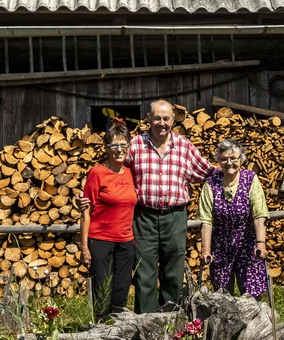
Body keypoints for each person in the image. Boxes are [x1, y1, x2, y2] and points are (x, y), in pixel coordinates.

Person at [79, 100, 216, 314]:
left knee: (173, 271)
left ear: (173, 120)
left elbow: (208, 172)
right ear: (149, 120)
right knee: (144, 272)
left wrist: (235, 176)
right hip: (144, 217)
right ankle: (146, 325)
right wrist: (87, 197)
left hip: (175, 216)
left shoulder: (184, 146)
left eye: (166, 118)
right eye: (157, 118)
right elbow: (114, 168)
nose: (162, 123)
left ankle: (171, 321)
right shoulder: (135, 145)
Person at [196, 139, 270, 297]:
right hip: (221, 248)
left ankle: (254, 322)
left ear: (241, 159)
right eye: (224, 159)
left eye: (233, 159)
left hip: (248, 246)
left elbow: (259, 214)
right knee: (222, 298)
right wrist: (206, 250)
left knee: (251, 297)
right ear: (218, 161)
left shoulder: (250, 179)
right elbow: (206, 220)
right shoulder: (211, 184)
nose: (229, 163)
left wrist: (261, 243)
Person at [80, 119, 137, 321]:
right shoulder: (97, 173)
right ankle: (100, 327)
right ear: (107, 148)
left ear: (129, 147)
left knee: (121, 288)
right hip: (101, 239)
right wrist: (85, 246)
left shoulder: (131, 173)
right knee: (101, 288)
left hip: (125, 240)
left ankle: (118, 326)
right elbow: (86, 210)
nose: (119, 149)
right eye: (115, 145)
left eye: (123, 145)